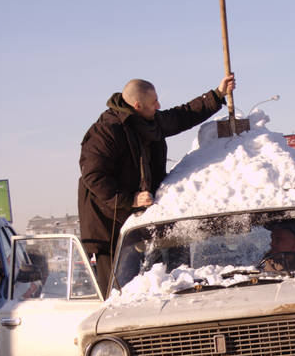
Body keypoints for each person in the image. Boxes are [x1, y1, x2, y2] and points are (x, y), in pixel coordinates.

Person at [78, 74, 235, 294]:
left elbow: (181, 116)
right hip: (110, 225)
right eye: (154, 103)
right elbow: (93, 176)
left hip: (142, 218)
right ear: (137, 105)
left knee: (154, 286)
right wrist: (130, 199)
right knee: (120, 291)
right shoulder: (105, 132)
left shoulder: (148, 121)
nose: (159, 106)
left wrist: (217, 95)